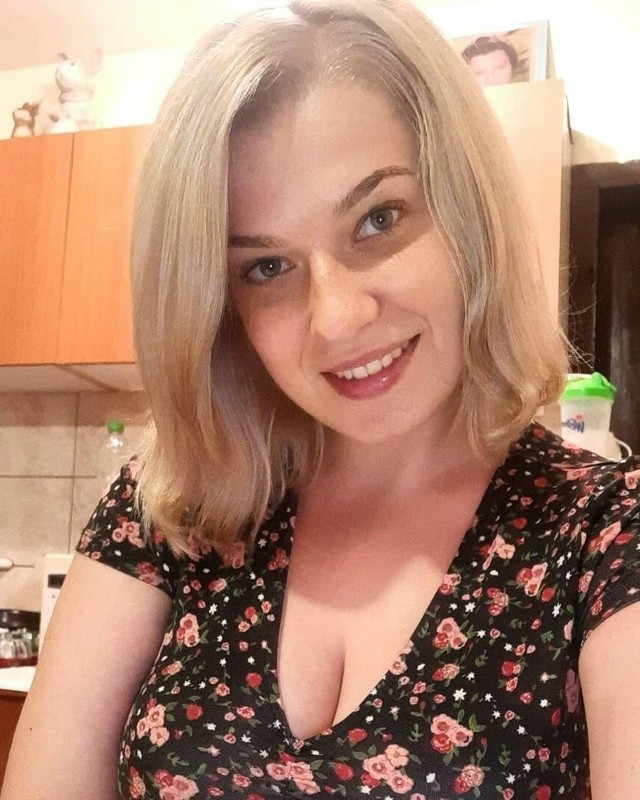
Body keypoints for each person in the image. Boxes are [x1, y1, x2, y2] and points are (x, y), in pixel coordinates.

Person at [3, 1, 640, 798]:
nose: (336, 317)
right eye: (266, 268)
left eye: (378, 218)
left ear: (466, 212)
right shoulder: (171, 508)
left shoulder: (603, 531)